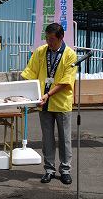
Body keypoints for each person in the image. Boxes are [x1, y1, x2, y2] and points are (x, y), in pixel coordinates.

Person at [21, 23, 77, 185]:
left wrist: (48, 94)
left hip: (61, 102)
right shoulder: (40, 51)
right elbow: (30, 72)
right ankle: (49, 169)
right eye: (46, 38)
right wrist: (24, 89)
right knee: (47, 138)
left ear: (61, 38)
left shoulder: (70, 55)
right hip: (43, 102)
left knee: (65, 138)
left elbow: (66, 82)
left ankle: (65, 169)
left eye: (52, 39)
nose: (48, 42)